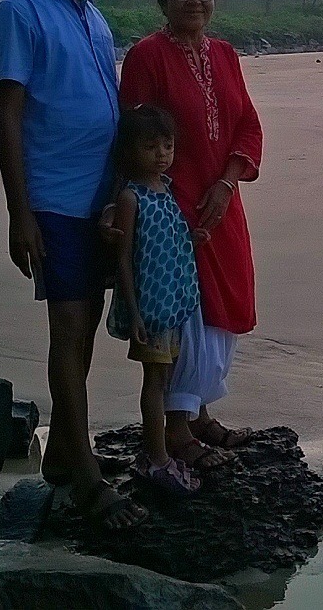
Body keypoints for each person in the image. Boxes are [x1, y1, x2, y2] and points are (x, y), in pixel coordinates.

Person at [0, 0, 145, 530]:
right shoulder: (18, 12)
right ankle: (82, 474)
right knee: (70, 327)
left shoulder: (94, 16)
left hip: (99, 199)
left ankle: (62, 452)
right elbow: (10, 117)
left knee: (85, 330)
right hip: (52, 198)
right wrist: (18, 213)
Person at [120, 0, 264, 473]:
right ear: (164, 0)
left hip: (222, 204)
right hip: (170, 213)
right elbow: (133, 138)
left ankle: (199, 412)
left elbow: (246, 123)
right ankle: (176, 430)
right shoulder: (146, 57)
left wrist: (228, 181)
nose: (195, 1)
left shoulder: (225, 54)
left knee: (220, 308)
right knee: (184, 313)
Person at [109, 104, 204, 496]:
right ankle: (156, 456)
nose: (162, 154)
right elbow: (125, 260)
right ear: (131, 152)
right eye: (151, 147)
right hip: (149, 309)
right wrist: (133, 313)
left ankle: (159, 450)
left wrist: (192, 240)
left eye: (167, 146)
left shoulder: (167, 192)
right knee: (154, 382)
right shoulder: (132, 198)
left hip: (174, 305)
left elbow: (170, 244)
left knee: (164, 379)